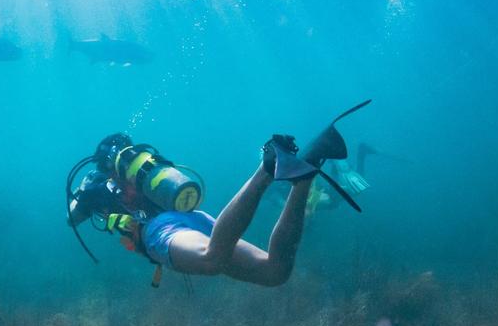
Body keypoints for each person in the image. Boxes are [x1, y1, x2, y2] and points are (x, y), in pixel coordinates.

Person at [66, 101, 368, 287]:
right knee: (275, 272)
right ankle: (305, 174)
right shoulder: (144, 167)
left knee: (212, 260)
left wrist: (83, 192)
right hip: (191, 215)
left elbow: (73, 219)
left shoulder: (95, 183)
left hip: (159, 232)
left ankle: (267, 167)